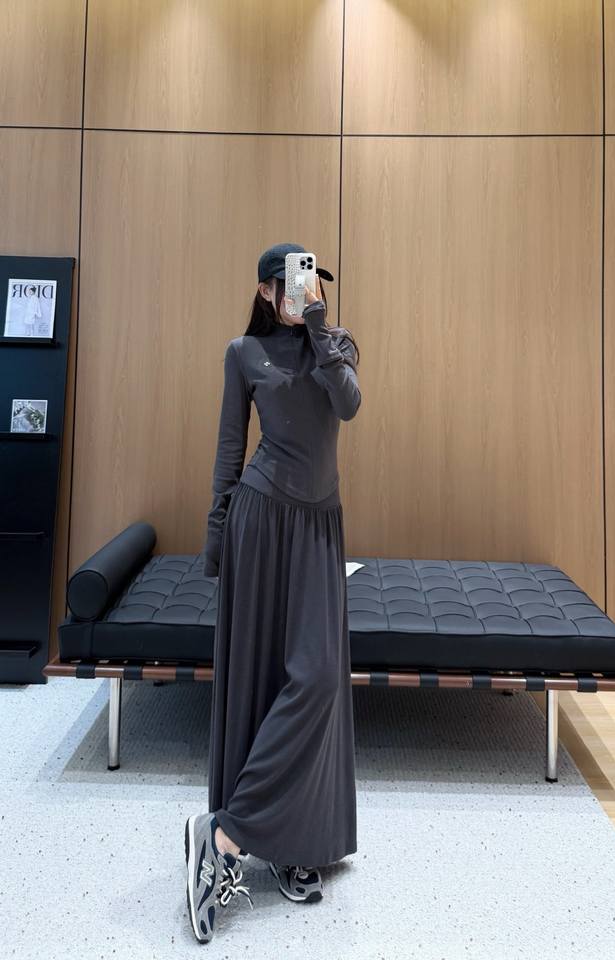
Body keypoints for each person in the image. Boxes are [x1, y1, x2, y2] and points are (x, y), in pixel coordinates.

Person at [185, 242, 362, 942]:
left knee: (316, 678)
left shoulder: (336, 345)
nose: (303, 288)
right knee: (263, 680)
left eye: (312, 277)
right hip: (259, 521)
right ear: (265, 290)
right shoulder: (242, 354)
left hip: (319, 527)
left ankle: (225, 833)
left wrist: (318, 326)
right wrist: (217, 538)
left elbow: (348, 405)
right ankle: (285, 844)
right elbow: (230, 448)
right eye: (289, 280)